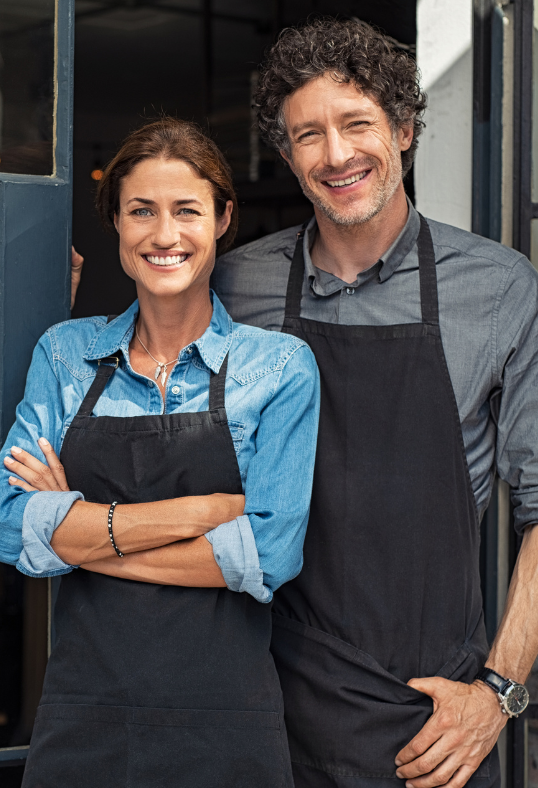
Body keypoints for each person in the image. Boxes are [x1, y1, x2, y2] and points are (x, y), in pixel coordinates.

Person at [213, 18, 538, 788]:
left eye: (356, 123)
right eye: (307, 135)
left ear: (403, 127)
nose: (336, 154)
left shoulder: (496, 288)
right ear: (286, 155)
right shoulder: (234, 285)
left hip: (428, 722)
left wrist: (497, 694)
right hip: (261, 698)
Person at [0, 118, 320, 787]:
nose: (164, 235)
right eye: (141, 211)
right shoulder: (66, 354)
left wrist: (79, 536)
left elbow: (271, 555)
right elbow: (6, 524)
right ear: (116, 223)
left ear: (223, 219)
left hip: (226, 729)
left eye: (186, 210)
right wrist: (203, 512)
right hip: (85, 721)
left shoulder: (279, 368)